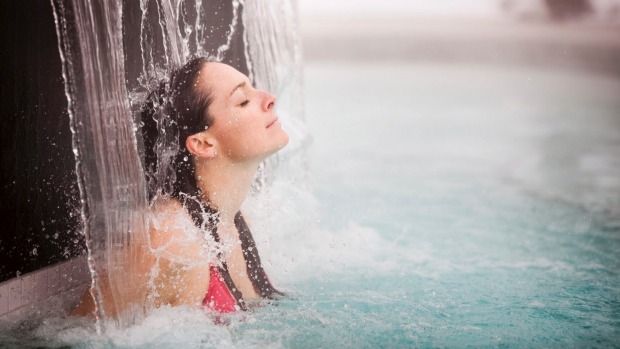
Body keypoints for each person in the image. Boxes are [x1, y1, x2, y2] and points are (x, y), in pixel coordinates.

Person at [74, 57, 288, 316]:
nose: (269, 99)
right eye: (243, 101)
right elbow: (81, 333)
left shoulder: (237, 223)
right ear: (203, 144)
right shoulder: (170, 240)